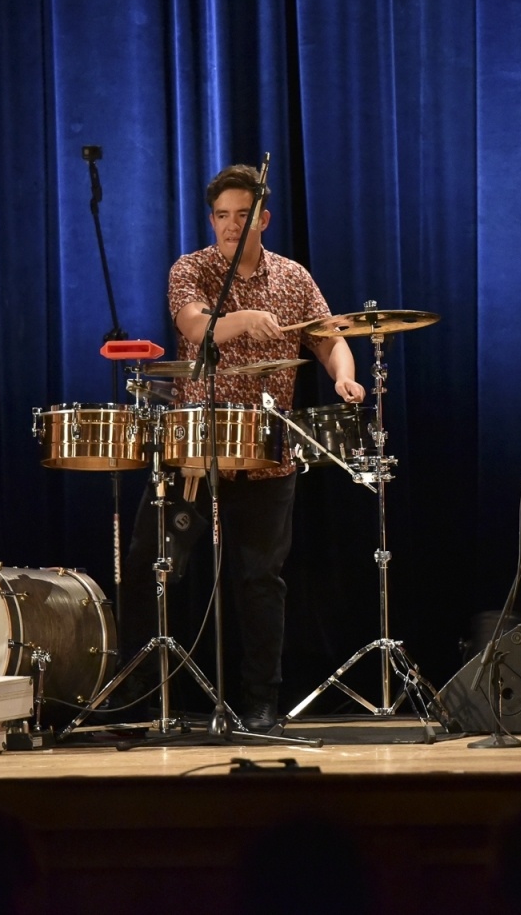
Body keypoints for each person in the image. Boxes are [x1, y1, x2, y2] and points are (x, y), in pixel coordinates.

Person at [167, 163, 365, 732]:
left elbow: (329, 338)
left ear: (264, 219)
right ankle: (159, 695)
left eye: (241, 216)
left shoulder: (294, 278)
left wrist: (342, 376)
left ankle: (261, 702)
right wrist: (243, 319)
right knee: (163, 567)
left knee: (260, 577)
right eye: (221, 217)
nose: (230, 226)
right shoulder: (193, 269)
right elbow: (195, 325)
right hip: (198, 448)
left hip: (267, 451)